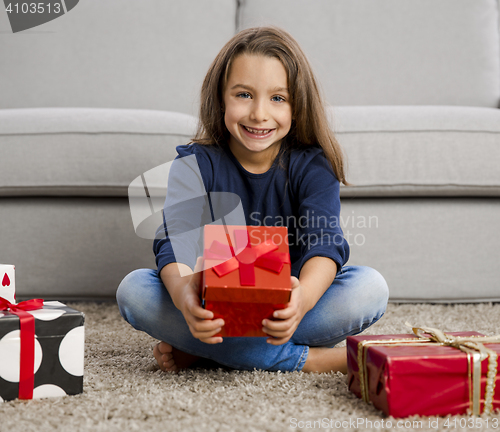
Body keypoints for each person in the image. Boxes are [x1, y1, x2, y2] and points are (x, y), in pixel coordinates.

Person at [116, 26, 389, 374]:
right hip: (213, 305)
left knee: (369, 287)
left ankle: (209, 352)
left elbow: (325, 244)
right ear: (220, 98)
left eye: (278, 98)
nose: (259, 113)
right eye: (244, 94)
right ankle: (312, 361)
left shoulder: (312, 165)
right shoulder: (194, 164)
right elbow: (174, 245)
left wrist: (301, 301)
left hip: (288, 304)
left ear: (297, 105)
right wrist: (186, 301)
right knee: (134, 290)